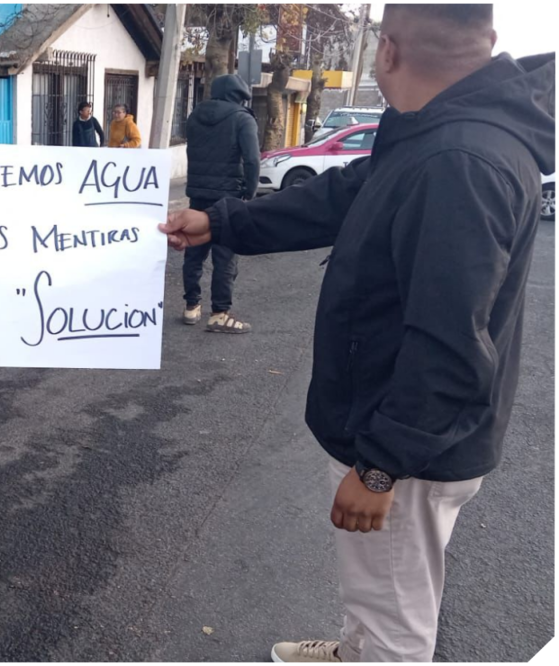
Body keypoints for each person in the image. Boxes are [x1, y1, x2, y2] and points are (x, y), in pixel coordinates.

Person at [160, 3, 555, 664]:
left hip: (405, 449)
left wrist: (379, 467)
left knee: (396, 617)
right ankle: (353, 650)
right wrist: (220, 221)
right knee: (376, 586)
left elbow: (451, 345)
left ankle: (370, 651)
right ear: (486, 42)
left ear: (387, 52)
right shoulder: (434, 132)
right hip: (395, 427)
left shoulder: (460, 159)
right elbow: (342, 194)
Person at [181, 74, 260, 333]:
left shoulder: (195, 116)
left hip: (198, 195)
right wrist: (249, 191)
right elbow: (251, 159)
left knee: (194, 251)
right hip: (228, 196)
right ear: (240, 96)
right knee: (225, 256)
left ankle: (191, 306)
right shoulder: (242, 118)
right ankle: (219, 313)